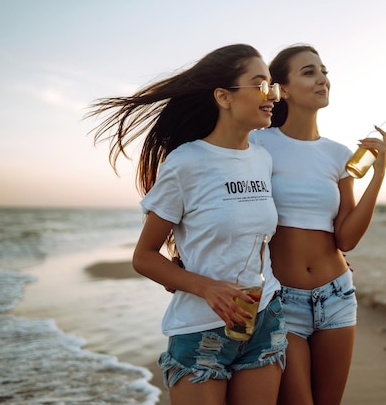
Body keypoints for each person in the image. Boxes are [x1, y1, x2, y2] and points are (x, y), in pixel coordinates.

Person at [86, 44, 287, 405]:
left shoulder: (263, 159)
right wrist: (208, 288)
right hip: (200, 331)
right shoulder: (187, 162)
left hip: (264, 319)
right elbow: (144, 257)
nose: (270, 95)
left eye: (271, 86)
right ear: (223, 97)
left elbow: (257, 239)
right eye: (259, 85)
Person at [249, 44, 386, 405]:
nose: (322, 79)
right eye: (309, 72)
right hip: (283, 299)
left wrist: (379, 172)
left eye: (324, 71)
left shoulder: (339, 154)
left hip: (338, 295)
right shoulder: (257, 143)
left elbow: (347, 237)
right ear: (281, 88)